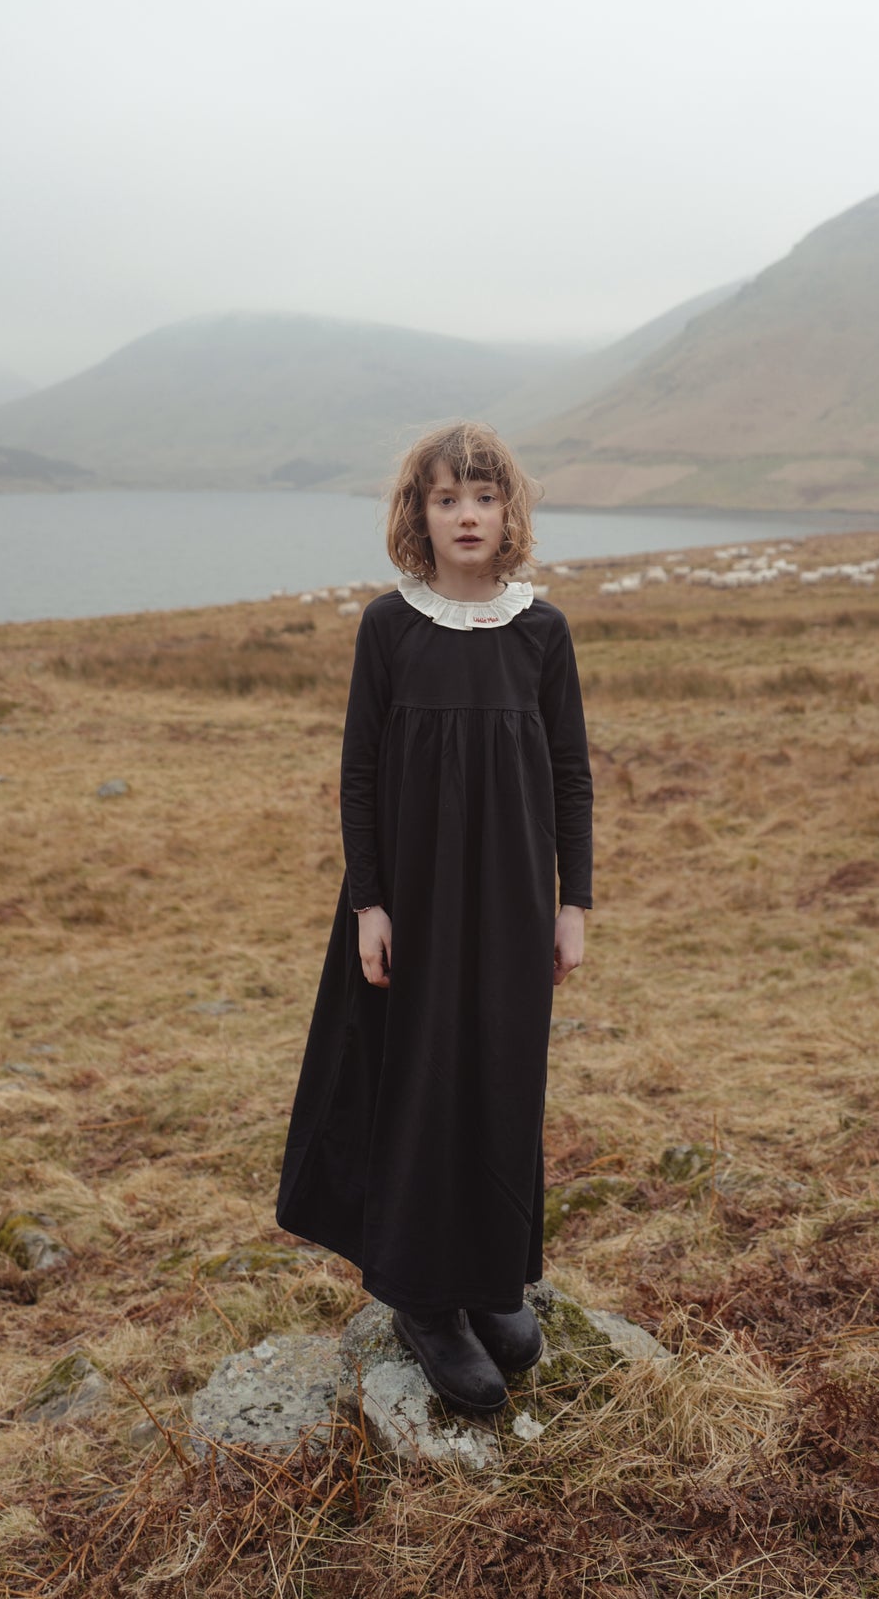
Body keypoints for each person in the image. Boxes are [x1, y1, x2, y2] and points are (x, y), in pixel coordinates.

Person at [275, 420, 593, 1417]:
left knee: (498, 1078)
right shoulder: (389, 627)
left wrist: (571, 900)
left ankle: (491, 1277)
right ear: (418, 514)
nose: (467, 513)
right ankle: (420, 1293)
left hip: (506, 905)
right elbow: (358, 771)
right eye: (447, 497)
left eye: (484, 497)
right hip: (409, 906)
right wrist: (369, 900)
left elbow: (571, 775)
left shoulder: (541, 632)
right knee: (417, 1082)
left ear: (509, 515)